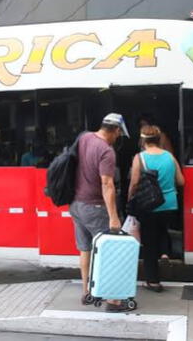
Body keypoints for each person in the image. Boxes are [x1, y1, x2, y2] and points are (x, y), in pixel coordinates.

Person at [69, 112, 133, 312]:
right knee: (109, 250)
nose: (118, 138)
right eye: (119, 134)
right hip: (95, 207)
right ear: (114, 130)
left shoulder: (84, 138)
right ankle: (114, 301)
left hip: (76, 204)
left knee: (85, 249)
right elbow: (107, 184)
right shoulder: (107, 151)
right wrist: (114, 217)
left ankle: (86, 292)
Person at [127, 125, 185, 292]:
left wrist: (130, 198)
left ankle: (153, 281)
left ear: (142, 140)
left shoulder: (140, 158)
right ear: (159, 139)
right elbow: (181, 181)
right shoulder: (170, 157)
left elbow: (134, 182)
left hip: (149, 206)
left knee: (149, 243)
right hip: (169, 205)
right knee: (162, 231)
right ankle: (165, 253)